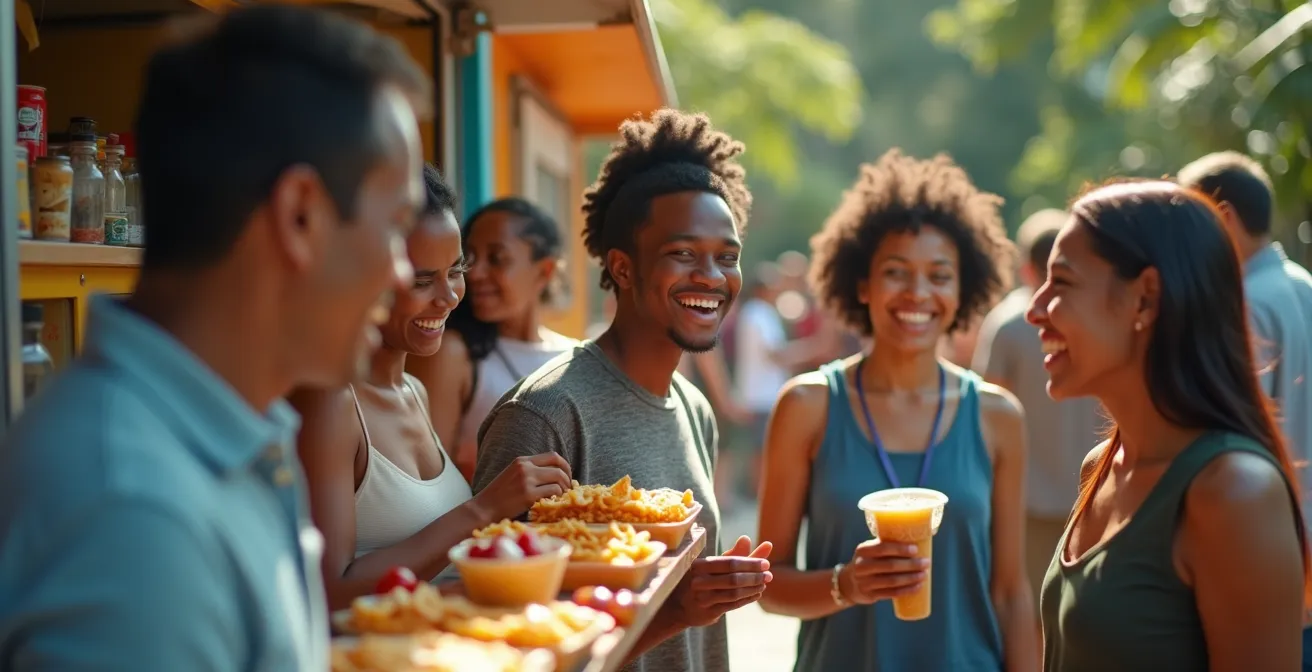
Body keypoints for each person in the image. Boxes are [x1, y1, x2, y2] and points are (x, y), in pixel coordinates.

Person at [0, 6, 428, 669]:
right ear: (301, 215)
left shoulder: (231, 434)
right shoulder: (137, 511)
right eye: (396, 225)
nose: (404, 275)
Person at [472, 109, 772, 672]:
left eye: (726, 257)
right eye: (683, 253)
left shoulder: (695, 408)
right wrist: (675, 609)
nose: (711, 275)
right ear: (624, 268)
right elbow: (502, 642)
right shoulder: (542, 414)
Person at [756, 149, 1038, 672]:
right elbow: (769, 584)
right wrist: (847, 583)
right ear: (862, 284)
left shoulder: (998, 416)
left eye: (939, 275)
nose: (917, 293)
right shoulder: (807, 406)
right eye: (895, 272)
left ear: (962, 289)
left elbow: (1010, 592)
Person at [1029, 180, 1310, 670]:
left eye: (1063, 282)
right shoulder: (1100, 468)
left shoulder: (1233, 494)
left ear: (1145, 299)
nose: (1035, 309)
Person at [290, 167, 573, 610]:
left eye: (456, 271)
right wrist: (483, 509)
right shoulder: (331, 402)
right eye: (422, 281)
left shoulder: (415, 392)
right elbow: (330, 593)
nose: (449, 296)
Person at [972, 208, 1103, 611]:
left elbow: (984, 417)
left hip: (1027, 504)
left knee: (1029, 614)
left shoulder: (1008, 324)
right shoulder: (1099, 317)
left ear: (1025, 265)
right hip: (1098, 497)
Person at [407, 197, 577, 481]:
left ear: (544, 271)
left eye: (497, 259)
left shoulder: (575, 355)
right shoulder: (453, 354)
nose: (475, 274)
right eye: (469, 259)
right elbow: (430, 484)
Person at [1177, 152, 1312, 468]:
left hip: (1268, 507)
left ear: (1224, 218)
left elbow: (1234, 435)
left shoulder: (1241, 304)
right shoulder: (1303, 283)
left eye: (1192, 222)